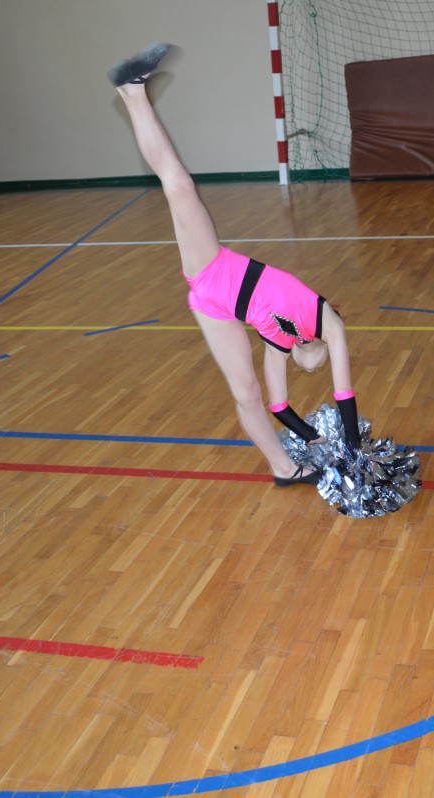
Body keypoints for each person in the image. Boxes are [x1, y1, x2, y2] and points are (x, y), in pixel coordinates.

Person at [109, 43, 361, 486]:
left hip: (213, 306)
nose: (314, 367)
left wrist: (313, 439)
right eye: (320, 361)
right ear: (323, 344)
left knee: (247, 395)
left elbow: (279, 405)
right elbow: (344, 394)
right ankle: (132, 92)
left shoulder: (282, 343)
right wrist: (353, 451)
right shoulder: (328, 322)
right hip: (216, 269)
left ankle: (284, 469)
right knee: (180, 186)